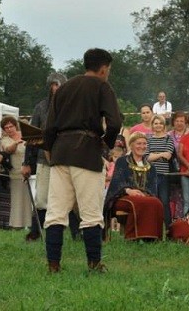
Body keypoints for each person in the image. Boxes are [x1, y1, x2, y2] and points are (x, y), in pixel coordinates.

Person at [44, 48, 123, 273]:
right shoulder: (102, 86)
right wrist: (105, 143)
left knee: (56, 212)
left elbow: (49, 126)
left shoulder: (64, 87)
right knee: (90, 213)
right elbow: (115, 123)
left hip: (60, 152)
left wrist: (50, 149)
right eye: (109, 70)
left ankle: (53, 265)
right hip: (86, 152)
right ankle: (94, 264)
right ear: (104, 68)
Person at [23, 72, 68, 241]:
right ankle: (36, 232)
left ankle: (77, 233)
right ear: (50, 87)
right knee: (42, 198)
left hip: (66, 159)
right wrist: (27, 163)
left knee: (69, 197)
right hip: (44, 159)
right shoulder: (41, 108)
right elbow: (31, 137)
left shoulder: (71, 108)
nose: (57, 88)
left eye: (60, 85)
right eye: (54, 85)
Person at [104, 132, 164, 241]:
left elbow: (152, 187)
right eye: (138, 143)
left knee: (157, 203)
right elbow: (117, 182)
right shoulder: (122, 161)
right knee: (137, 202)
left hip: (144, 198)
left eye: (144, 144)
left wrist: (145, 194)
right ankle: (133, 237)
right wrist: (128, 190)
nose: (142, 146)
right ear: (131, 145)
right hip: (122, 197)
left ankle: (151, 238)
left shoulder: (151, 166)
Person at [146, 114, 177, 228]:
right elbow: (146, 157)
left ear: (164, 125)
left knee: (164, 202)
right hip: (150, 175)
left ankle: (169, 229)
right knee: (152, 201)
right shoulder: (148, 138)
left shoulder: (169, 138)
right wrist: (161, 154)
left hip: (164, 175)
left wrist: (154, 155)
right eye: (156, 123)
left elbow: (168, 156)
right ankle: (153, 228)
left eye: (160, 123)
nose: (158, 125)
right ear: (152, 125)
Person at [1, 116, 31, 229]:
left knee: (29, 198)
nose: (9, 129)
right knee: (17, 198)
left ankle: (29, 223)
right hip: (15, 172)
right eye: (6, 127)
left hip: (29, 171)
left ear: (15, 126)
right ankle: (17, 224)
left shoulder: (25, 135)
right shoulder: (5, 140)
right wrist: (16, 143)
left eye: (11, 126)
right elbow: (8, 149)